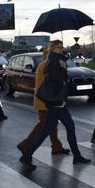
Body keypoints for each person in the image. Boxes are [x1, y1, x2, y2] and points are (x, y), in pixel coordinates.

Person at [20, 40, 90, 171]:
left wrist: (64, 69)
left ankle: (77, 156)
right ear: (52, 49)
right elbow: (56, 81)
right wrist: (63, 69)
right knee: (45, 131)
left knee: (69, 126)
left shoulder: (58, 60)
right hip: (55, 103)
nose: (61, 49)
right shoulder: (53, 62)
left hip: (59, 102)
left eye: (62, 46)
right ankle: (27, 154)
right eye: (59, 47)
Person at [16, 49, 70, 155]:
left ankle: (56, 146)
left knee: (52, 125)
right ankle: (25, 145)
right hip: (46, 100)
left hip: (43, 99)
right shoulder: (48, 66)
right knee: (43, 125)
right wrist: (63, 69)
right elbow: (55, 81)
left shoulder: (43, 64)